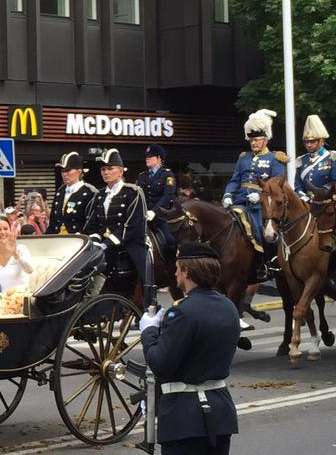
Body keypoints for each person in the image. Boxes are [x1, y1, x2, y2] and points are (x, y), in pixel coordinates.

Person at [139, 242, 240, 455]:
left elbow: (160, 363)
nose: (175, 273)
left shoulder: (182, 313)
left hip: (185, 418)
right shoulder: (228, 306)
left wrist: (149, 331)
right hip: (220, 413)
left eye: (178, 267)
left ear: (187, 271)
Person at [222, 109, 287, 281]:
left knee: (262, 231)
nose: (253, 143)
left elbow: (276, 184)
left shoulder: (276, 159)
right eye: (251, 140)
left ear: (266, 139)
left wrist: (260, 195)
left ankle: (266, 263)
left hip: (262, 206)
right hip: (240, 202)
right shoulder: (243, 158)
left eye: (257, 140)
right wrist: (228, 194)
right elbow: (235, 180)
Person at [83, 148, 149, 288]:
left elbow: (131, 226)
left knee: (143, 275)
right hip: (103, 247)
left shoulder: (133, 192)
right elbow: (92, 224)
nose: (106, 172)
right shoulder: (100, 194)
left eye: (110, 168)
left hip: (127, 244)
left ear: (120, 171)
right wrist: (95, 242)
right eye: (103, 169)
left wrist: (106, 244)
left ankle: (148, 299)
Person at [138, 144, 178, 260]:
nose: (147, 158)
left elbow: (167, 196)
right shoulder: (142, 176)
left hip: (161, 215)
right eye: (146, 156)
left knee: (170, 241)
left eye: (150, 156)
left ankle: (172, 265)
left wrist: (154, 212)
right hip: (144, 216)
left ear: (159, 158)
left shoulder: (167, 175)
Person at [48, 151, 98, 234]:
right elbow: (53, 222)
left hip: (78, 239)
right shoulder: (60, 192)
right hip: (58, 240)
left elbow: (91, 223)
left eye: (68, 170)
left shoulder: (89, 192)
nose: (64, 174)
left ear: (79, 171)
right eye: (63, 171)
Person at [294, 114, 336, 201]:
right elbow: (298, 186)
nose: (308, 145)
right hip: (308, 203)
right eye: (306, 142)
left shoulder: (331, 158)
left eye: (312, 141)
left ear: (321, 141)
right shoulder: (301, 160)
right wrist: (304, 198)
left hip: (327, 203)